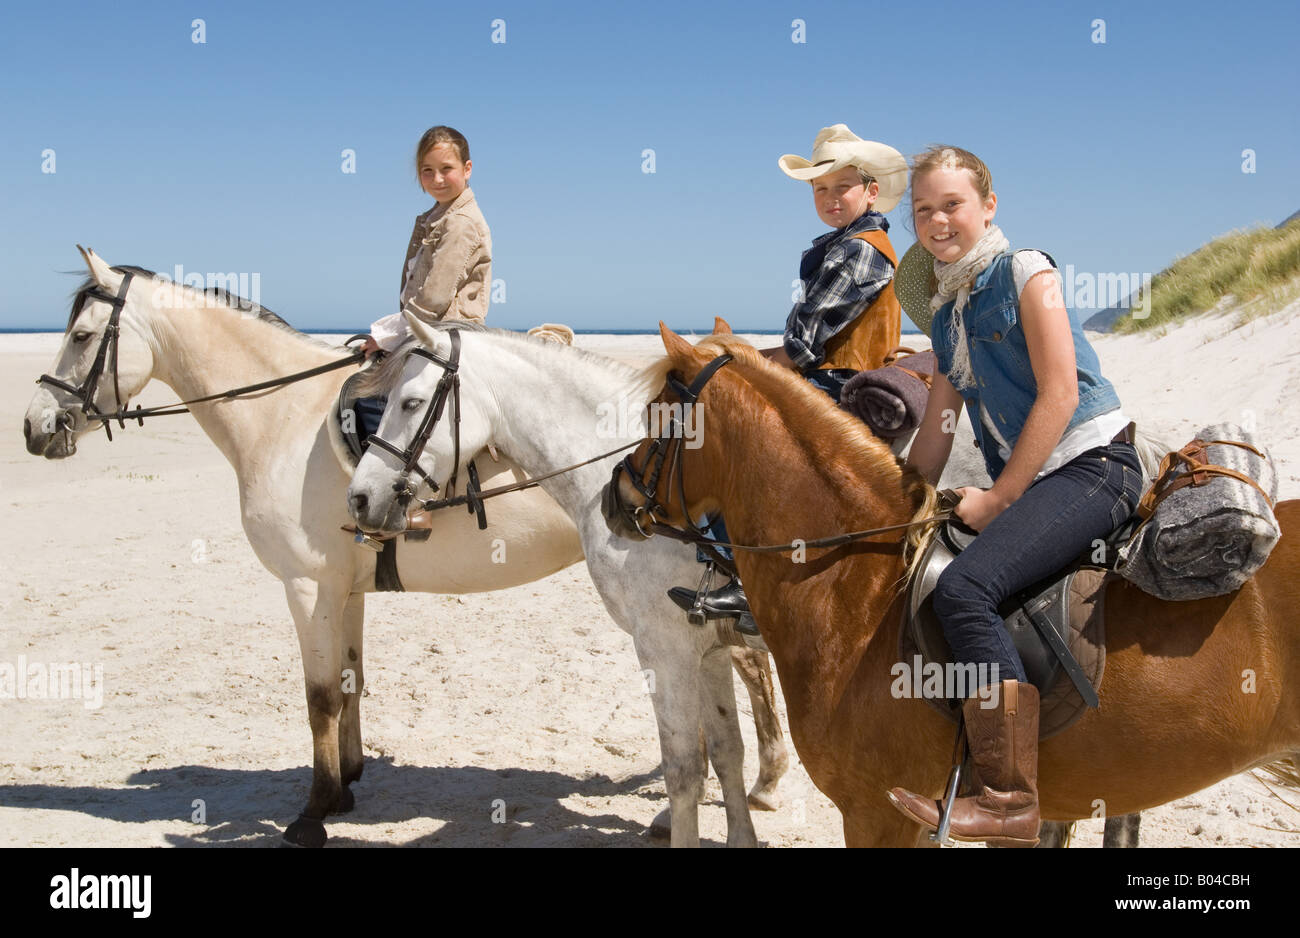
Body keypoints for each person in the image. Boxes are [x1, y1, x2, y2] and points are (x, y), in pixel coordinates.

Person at [885, 146, 1143, 846]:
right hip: (1043, 479)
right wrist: (895, 500)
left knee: (965, 589)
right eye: (923, 211)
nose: (937, 220)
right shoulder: (946, 319)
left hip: (1093, 465)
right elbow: (938, 432)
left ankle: (1007, 798)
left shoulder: (1029, 272)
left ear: (988, 207)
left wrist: (999, 499)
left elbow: (1060, 393)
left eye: (952, 204)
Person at [668, 124, 908, 628]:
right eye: (820, 189)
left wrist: (737, 364)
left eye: (841, 186)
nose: (829, 197)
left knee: (731, 440)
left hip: (842, 381)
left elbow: (801, 345)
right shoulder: (845, 243)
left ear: (869, 190)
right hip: (828, 370)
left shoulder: (862, 249)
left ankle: (744, 578)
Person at [354, 125, 492, 444]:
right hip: (425, 330)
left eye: (447, 169)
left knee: (368, 397)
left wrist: (387, 337)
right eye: (427, 171)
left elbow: (434, 298)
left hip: (446, 335)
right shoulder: (436, 216)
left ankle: (385, 482)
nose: (438, 179)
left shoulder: (461, 222)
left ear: (467, 169)